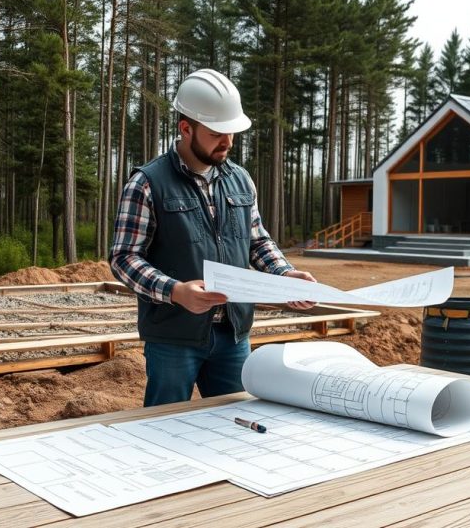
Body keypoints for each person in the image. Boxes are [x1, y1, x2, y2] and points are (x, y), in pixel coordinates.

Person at [109, 68, 317, 407]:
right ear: (186, 128)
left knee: (235, 427)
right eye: (217, 132)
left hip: (233, 334)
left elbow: (257, 241)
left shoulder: (241, 180)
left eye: (232, 132)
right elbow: (124, 258)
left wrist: (284, 273)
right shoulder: (147, 183)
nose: (228, 141)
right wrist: (175, 292)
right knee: (164, 427)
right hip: (173, 337)